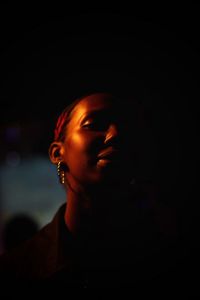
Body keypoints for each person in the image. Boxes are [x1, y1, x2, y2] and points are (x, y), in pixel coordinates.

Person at [0, 91, 179, 288]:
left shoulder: (170, 251)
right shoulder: (19, 270)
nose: (116, 134)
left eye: (127, 127)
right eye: (94, 125)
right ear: (58, 152)